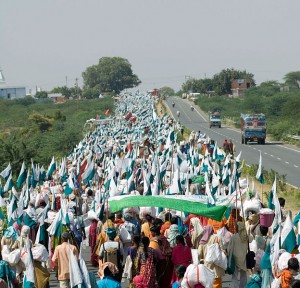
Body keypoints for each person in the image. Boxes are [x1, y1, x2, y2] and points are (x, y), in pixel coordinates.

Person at [229, 222, 248, 288]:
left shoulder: (234, 237)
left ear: (238, 228)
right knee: (243, 274)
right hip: (243, 258)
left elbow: (229, 248)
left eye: (236, 227)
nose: (235, 228)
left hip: (235, 258)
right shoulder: (245, 237)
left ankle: (236, 286)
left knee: (235, 275)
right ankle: (243, 286)